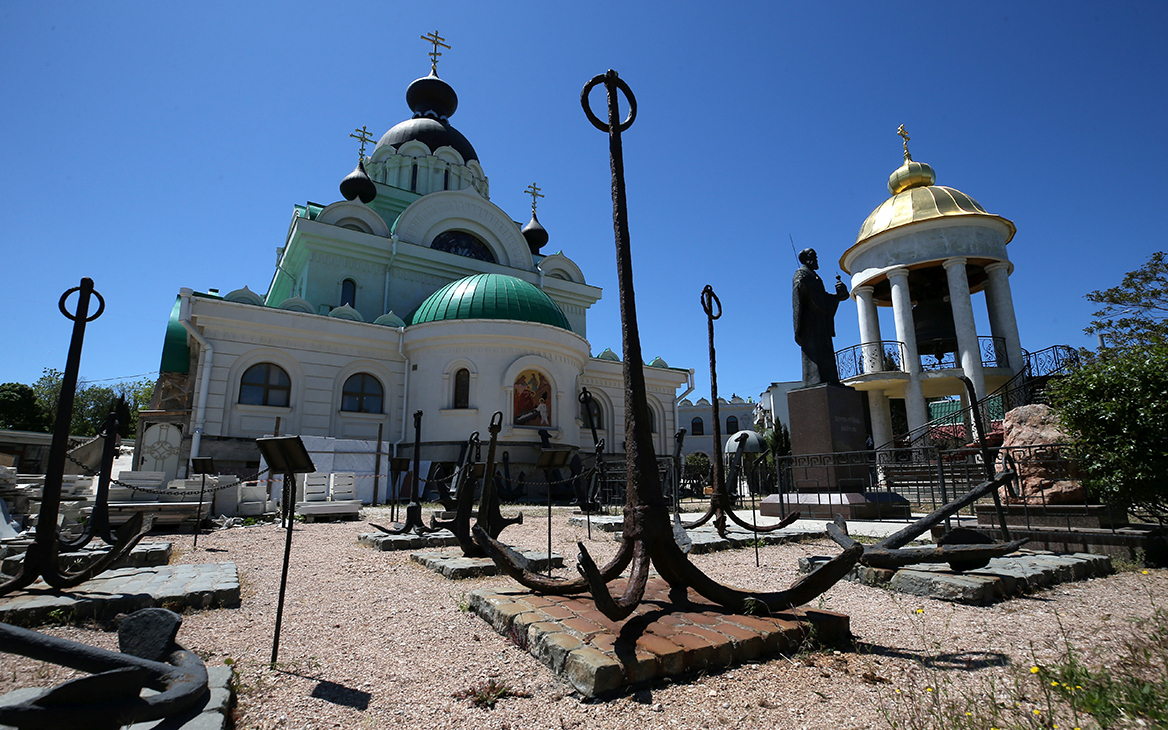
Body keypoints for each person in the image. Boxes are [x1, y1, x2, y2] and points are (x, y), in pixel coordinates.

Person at [792, 248, 850, 386]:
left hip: (820, 322)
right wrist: (835, 299)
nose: (817, 260)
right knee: (815, 357)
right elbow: (810, 301)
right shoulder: (802, 276)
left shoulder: (813, 277)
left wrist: (838, 297)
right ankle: (816, 381)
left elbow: (821, 298)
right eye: (814, 257)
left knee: (825, 354)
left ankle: (828, 380)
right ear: (806, 259)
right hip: (810, 324)